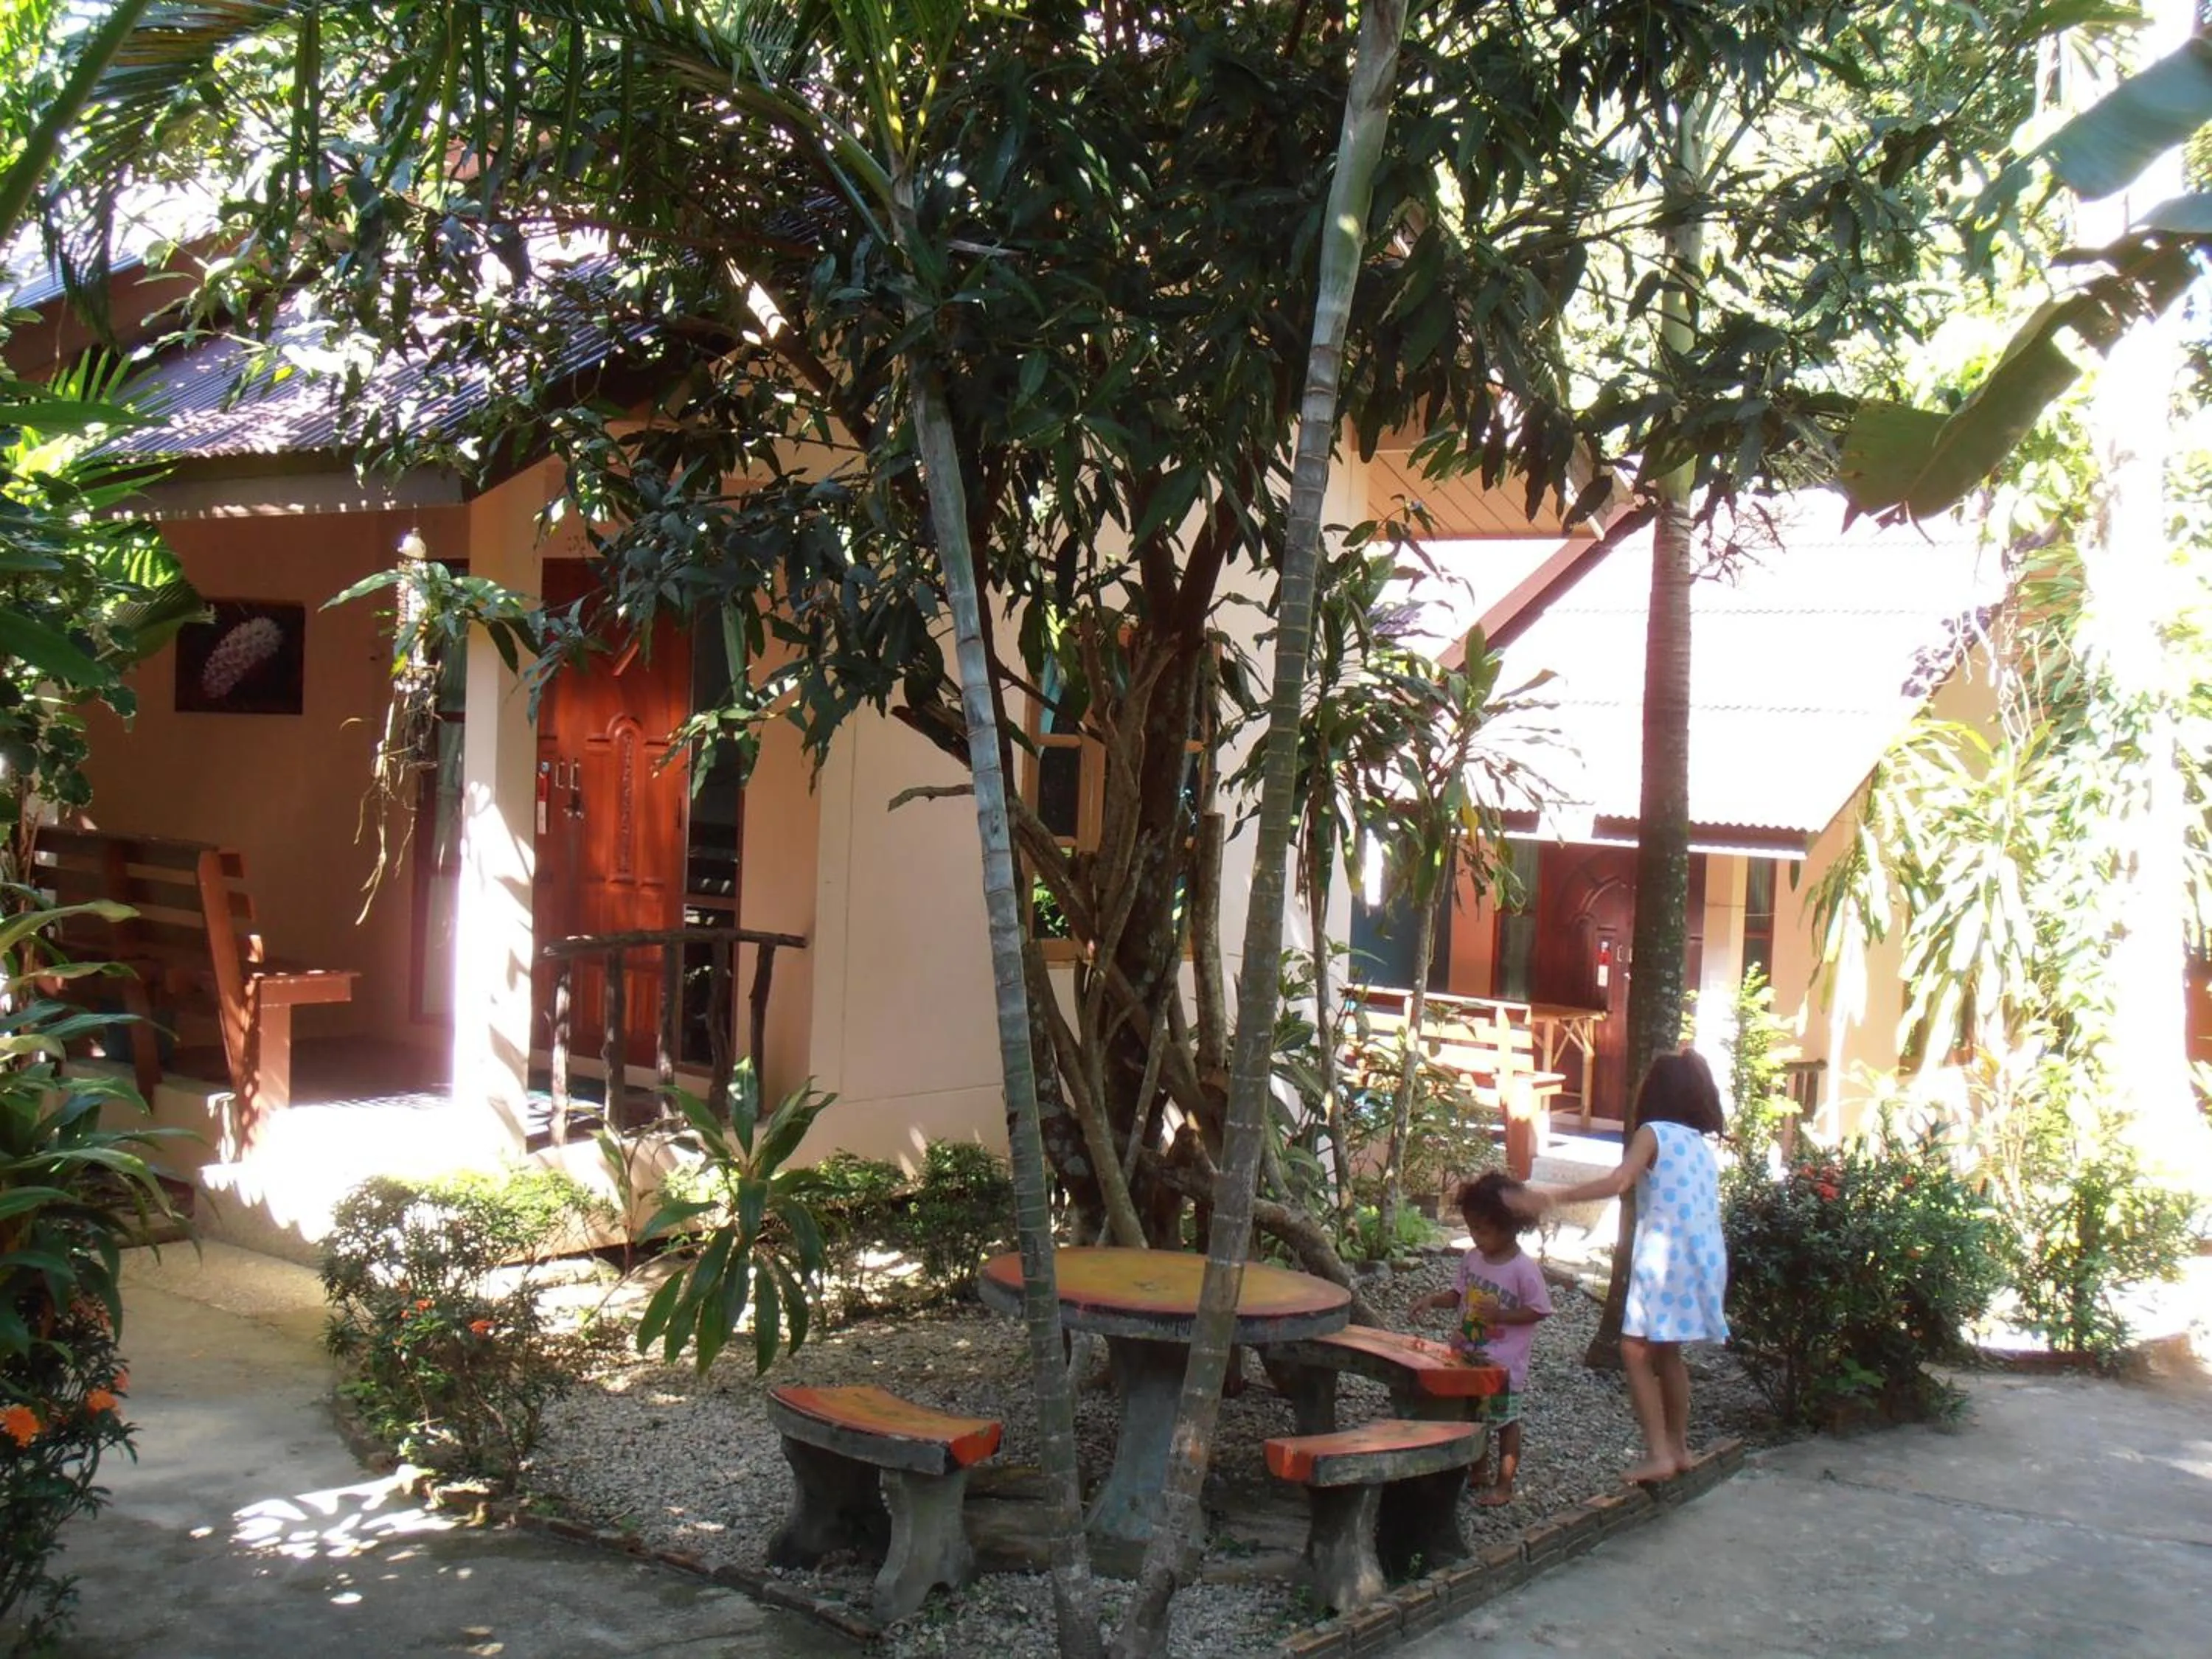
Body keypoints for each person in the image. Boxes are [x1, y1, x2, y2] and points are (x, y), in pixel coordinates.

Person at [1510, 1048, 1728, 1484]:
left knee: (1633, 1349)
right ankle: (1680, 1449)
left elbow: (1619, 1182)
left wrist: (1551, 1196)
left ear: (1655, 1093)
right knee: (1668, 1350)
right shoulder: (1701, 1147)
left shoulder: (1653, 1133)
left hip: (1666, 1255)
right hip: (1703, 1258)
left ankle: (1658, 1454)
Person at [1411, 1171, 1552, 1505]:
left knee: (1505, 1422)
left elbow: (1539, 1310)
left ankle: (1505, 1485)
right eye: (1472, 1228)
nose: (1476, 1237)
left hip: (1503, 1366)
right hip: (1468, 1354)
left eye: (1484, 1231)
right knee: (1472, 1415)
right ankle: (1479, 1472)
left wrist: (1501, 1315)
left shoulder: (1523, 1269)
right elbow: (1459, 1295)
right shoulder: (1472, 1258)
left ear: (1510, 1226)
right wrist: (1433, 1300)